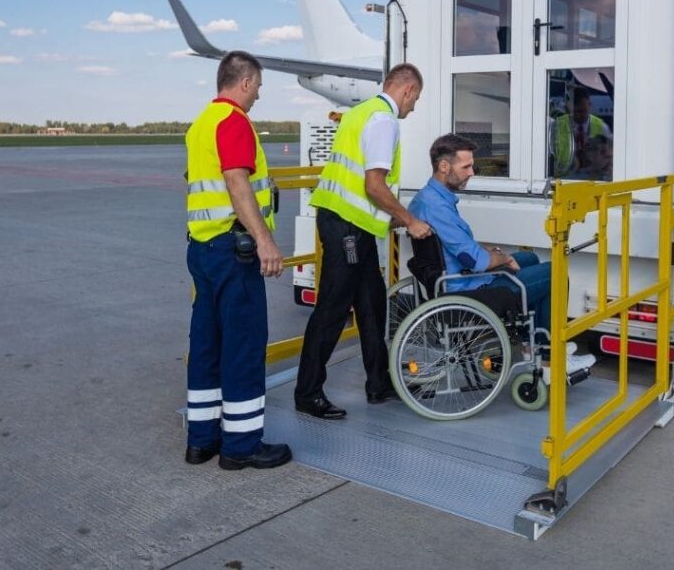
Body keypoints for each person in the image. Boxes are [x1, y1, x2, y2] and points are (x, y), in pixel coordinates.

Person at [294, 63, 434, 420]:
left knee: (372, 302)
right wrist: (410, 221)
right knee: (333, 307)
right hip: (347, 227)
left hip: (351, 224)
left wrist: (388, 220)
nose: (414, 106)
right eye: (416, 98)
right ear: (406, 90)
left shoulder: (360, 112)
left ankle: (379, 382)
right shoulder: (384, 120)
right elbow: (374, 185)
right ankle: (308, 392)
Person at [184, 51, 291, 470]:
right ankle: (241, 446)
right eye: (258, 87)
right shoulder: (233, 121)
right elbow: (236, 181)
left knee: (206, 345)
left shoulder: (201, 124)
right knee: (243, 344)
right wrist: (265, 241)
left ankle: (201, 440)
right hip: (233, 251)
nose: (258, 96)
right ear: (244, 82)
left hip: (202, 247)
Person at [408, 134, 553, 333]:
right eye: (466, 167)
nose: (471, 173)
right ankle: (545, 346)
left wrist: (492, 252)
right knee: (553, 272)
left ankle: (534, 340)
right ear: (444, 167)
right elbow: (476, 261)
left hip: (457, 276)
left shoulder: (426, 197)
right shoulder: (437, 208)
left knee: (530, 258)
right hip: (467, 290)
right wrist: (505, 258)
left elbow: (456, 244)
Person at [552, 86, 612, 178]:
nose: (581, 115)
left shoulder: (602, 127)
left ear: (590, 105)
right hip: (564, 181)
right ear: (568, 110)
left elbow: (609, 160)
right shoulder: (556, 127)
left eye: (584, 110)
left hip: (595, 180)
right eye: (576, 111)